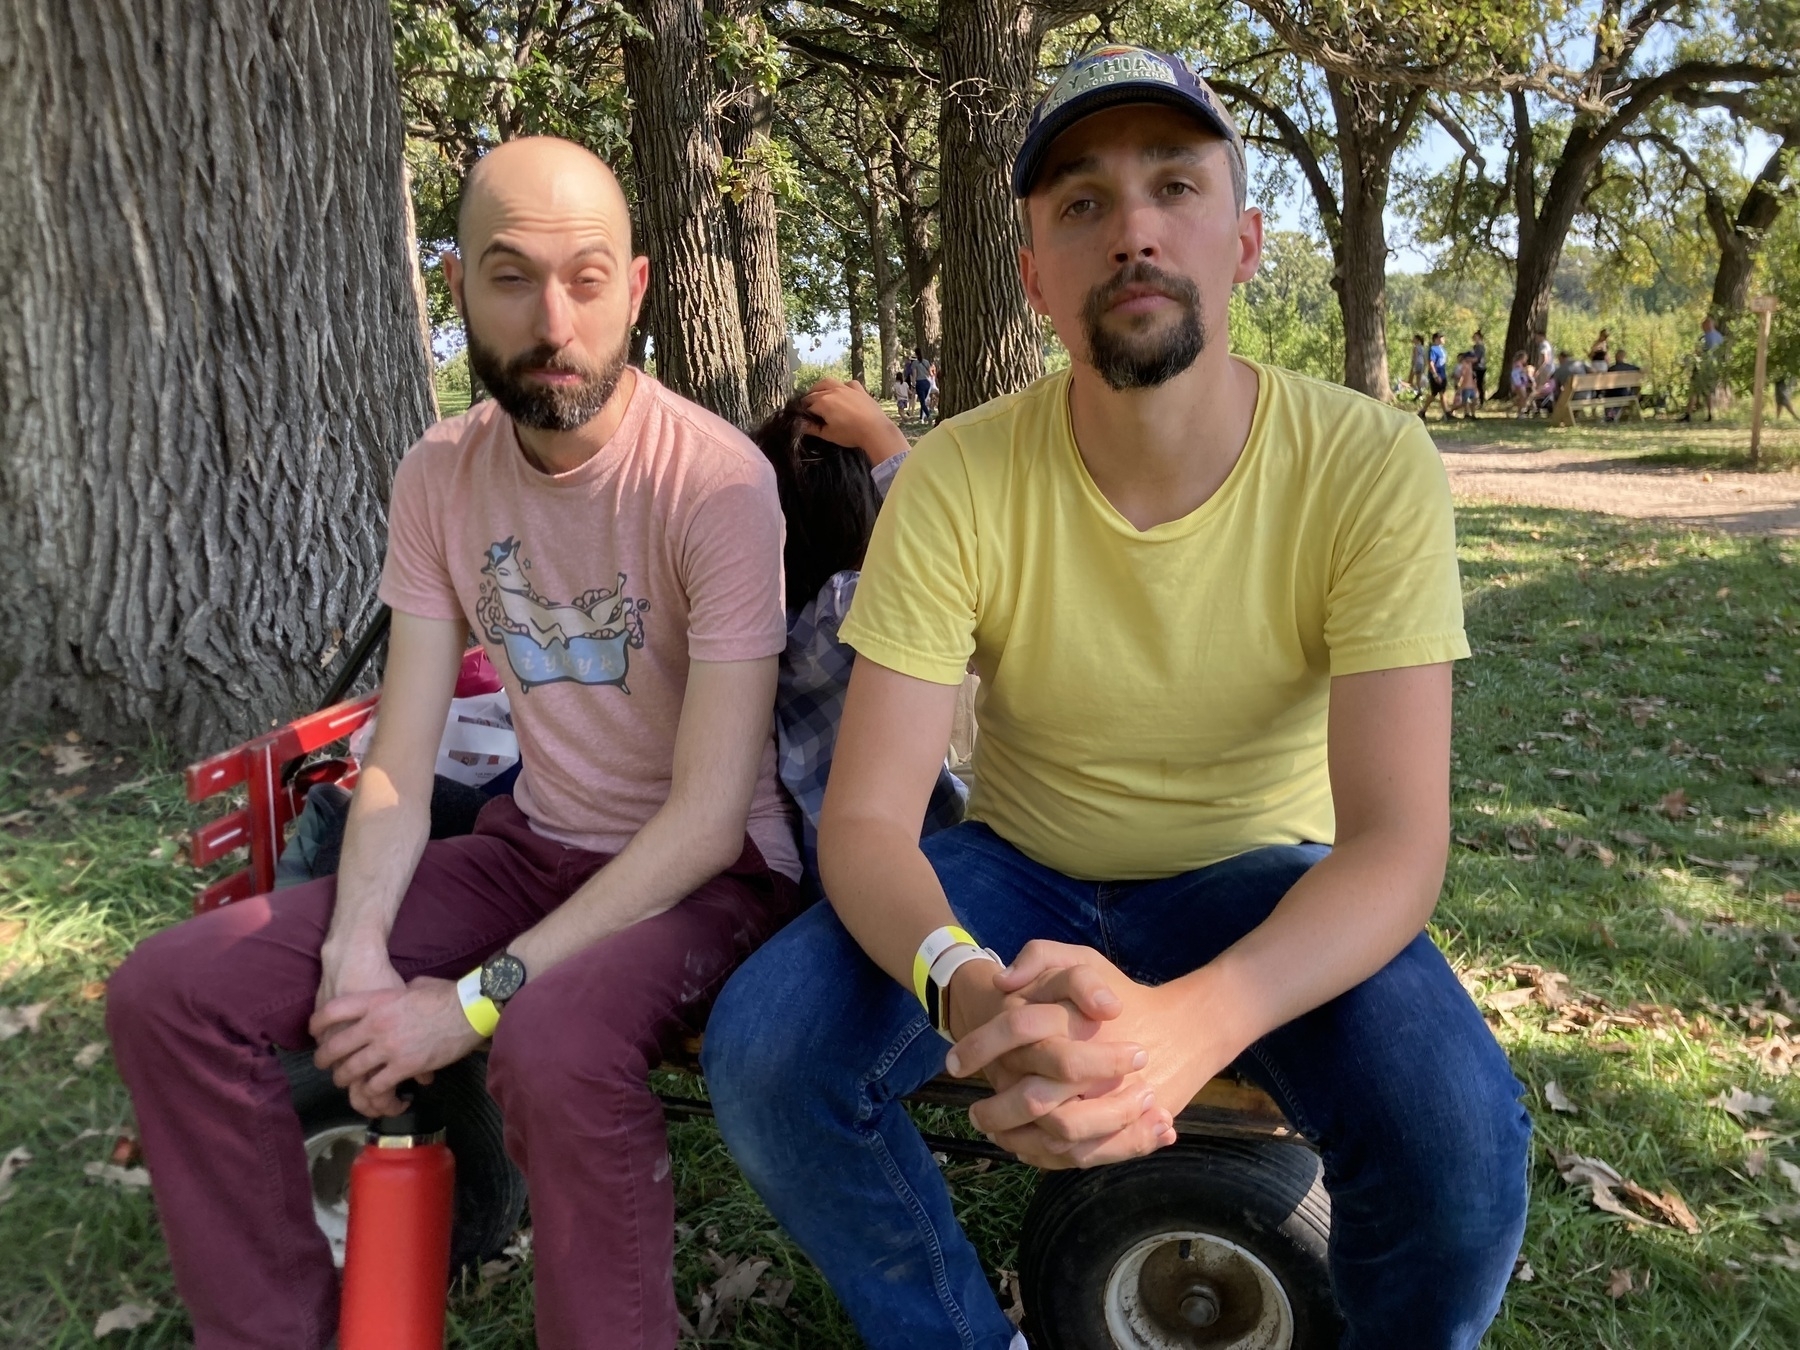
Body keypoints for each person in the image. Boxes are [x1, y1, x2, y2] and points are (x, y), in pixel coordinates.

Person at [703, 44, 1529, 1350]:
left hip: (1266, 874)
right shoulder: (958, 478)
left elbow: (1395, 844)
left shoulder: (1369, 461)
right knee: (767, 1051)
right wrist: (963, 981)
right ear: (1034, 274)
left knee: (1464, 1150)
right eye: (1082, 203)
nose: (1134, 227)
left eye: (1176, 186)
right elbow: (866, 822)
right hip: (1018, 872)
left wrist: (1192, 1020)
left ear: (1246, 240)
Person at [105, 137, 803, 1350]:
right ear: (457, 289)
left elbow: (703, 821)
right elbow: (398, 752)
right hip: (534, 846)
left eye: (586, 278)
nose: (553, 319)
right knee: (170, 994)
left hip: (708, 877)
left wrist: (468, 1005)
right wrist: (354, 954)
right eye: (509, 276)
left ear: (637, 285)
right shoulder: (440, 473)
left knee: (550, 1043)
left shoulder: (715, 484)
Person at [751, 377, 967, 888]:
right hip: (928, 855)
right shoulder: (854, 607)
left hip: (816, 872)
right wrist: (882, 436)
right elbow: (950, 554)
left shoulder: (765, 623)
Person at [1424, 329, 1448, 419]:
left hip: (1442, 374)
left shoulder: (1443, 350)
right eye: (1441, 337)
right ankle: (1446, 413)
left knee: (1438, 393)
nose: (1443, 339)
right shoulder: (1433, 349)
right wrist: (1435, 375)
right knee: (1440, 393)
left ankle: (1423, 411)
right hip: (1436, 375)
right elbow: (1431, 363)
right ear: (1436, 339)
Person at [1454, 350, 1479, 419]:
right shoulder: (1464, 365)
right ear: (1468, 358)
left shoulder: (1470, 364)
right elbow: (1462, 375)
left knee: (1474, 400)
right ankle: (1465, 413)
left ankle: (1473, 414)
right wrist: (1459, 385)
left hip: (1471, 385)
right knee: (1465, 402)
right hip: (1465, 386)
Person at [1508, 350, 1532, 415]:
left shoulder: (1520, 365)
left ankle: (1519, 410)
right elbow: (1515, 374)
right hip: (1519, 383)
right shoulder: (1517, 365)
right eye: (1525, 358)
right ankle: (1520, 412)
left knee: (1522, 397)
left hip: (1522, 383)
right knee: (1523, 397)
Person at [1408, 332, 1428, 404]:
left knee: (1410, 381)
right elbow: (1425, 358)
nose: (1413, 340)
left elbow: (1415, 357)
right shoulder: (1423, 348)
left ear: (1418, 340)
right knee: (1418, 381)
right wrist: (1425, 367)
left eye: (1414, 339)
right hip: (1421, 364)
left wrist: (1413, 367)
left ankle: (1418, 392)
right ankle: (1419, 392)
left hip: (1417, 364)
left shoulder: (1416, 347)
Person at [1471, 328, 1488, 405]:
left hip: (1480, 367)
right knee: (1474, 384)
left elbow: (1477, 358)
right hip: (1475, 367)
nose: (1474, 338)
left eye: (1475, 337)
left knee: (1479, 384)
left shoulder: (1480, 347)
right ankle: (1475, 399)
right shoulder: (1475, 347)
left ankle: (1481, 401)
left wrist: (1468, 360)